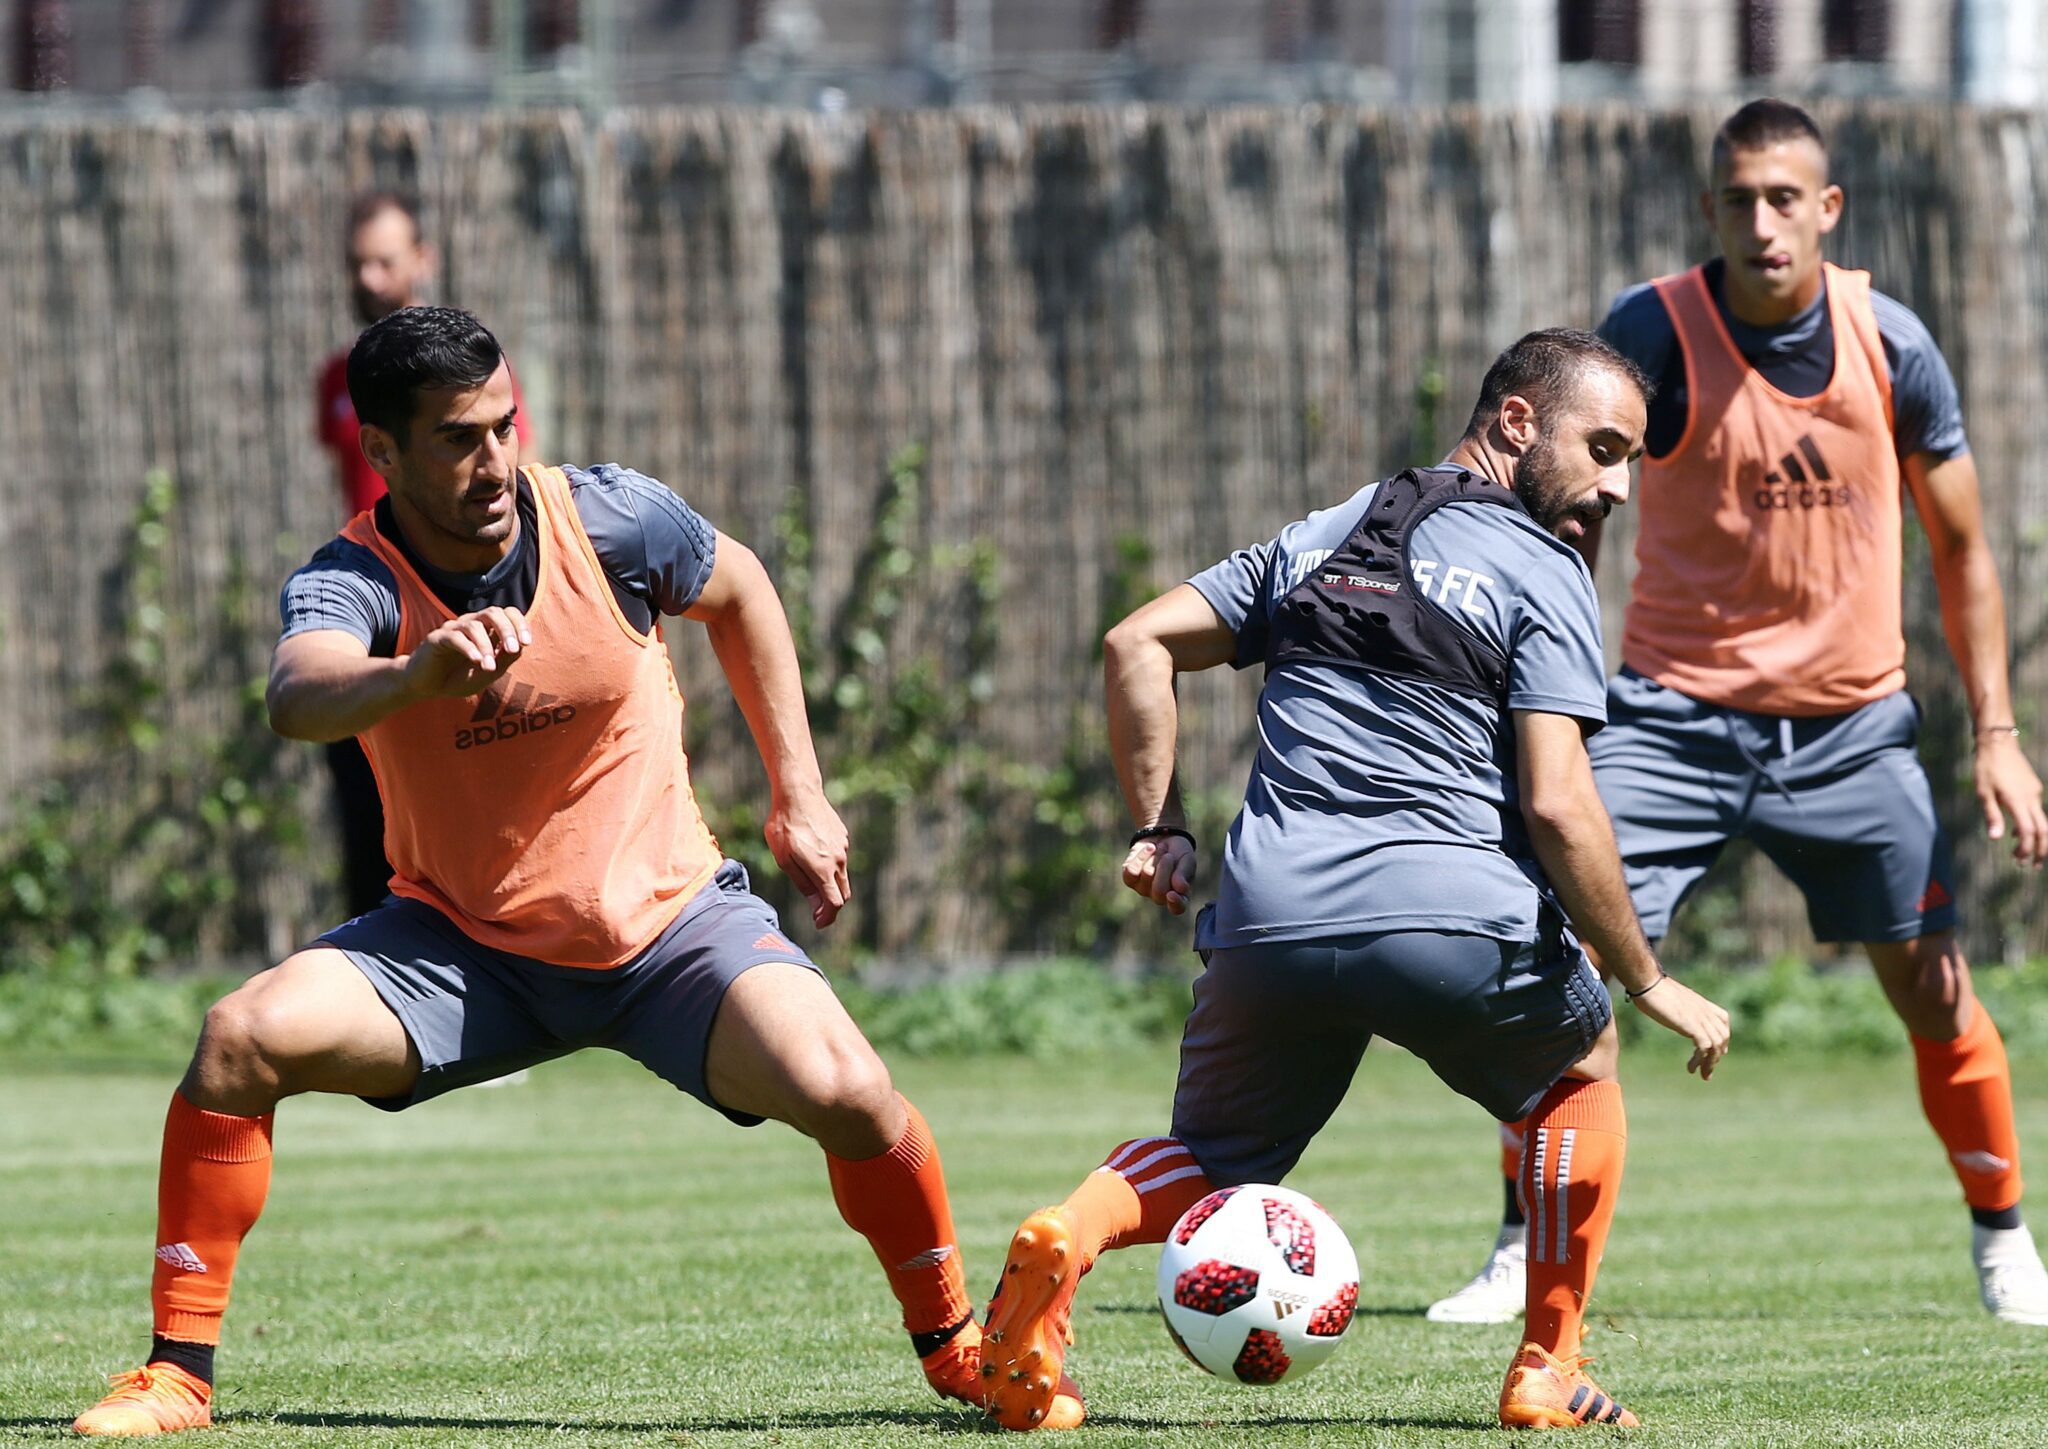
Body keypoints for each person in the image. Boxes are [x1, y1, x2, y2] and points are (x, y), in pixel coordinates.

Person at [73, 307, 994, 1436]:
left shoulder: (612, 519)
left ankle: (961, 1347)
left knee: (849, 1089)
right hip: (461, 952)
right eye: (459, 438)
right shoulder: (351, 576)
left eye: (505, 425)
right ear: (382, 451)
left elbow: (743, 589)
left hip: (668, 933)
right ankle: (176, 1375)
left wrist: (798, 793)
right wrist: (412, 676)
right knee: (237, 1039)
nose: (495, 461)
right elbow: (297, 693)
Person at [977, 330, 1731, 1433]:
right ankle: (1548, 1365)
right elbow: (1560, 801)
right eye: (1604, 449)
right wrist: (1646, 977)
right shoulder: (1542, 566)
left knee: (1211, 1160)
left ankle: (1070, 1231)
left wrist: (1156, 825)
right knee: (1583, 1066)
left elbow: (1136, 642)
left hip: (1268, 922)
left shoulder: (1327, 532)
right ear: (1517, 422)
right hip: (1449, 923)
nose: (1616, 487)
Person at [1426, 99, 2048, 1331]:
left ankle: (2003, 1243)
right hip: (1672, 718)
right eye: (1737, 200)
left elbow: (1962, 550)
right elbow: (1556, 506)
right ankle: (1517, 1247)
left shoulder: (1891, 344)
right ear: (1707, 210)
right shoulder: (1651, 332)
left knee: (1933, 990)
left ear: (1826, 210)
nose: (1760, 222)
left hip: (1851, 726)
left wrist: (1995, 738)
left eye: (1783, 199)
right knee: (1565, 977)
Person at [313, 190, 535, 920]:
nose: (369, 278)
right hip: (376, 605)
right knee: (365, 809)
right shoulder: (339, 380)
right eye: (357, 263)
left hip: (451, 600)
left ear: (421, 261)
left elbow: (511, 486)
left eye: (385, 261)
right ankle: (371, 954)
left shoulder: (468, 381)